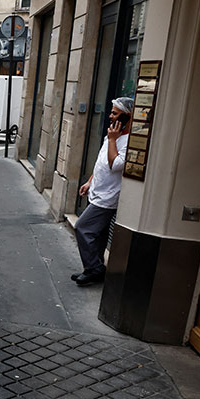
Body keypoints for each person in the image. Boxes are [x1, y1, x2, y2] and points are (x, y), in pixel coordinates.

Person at [71, 97, 134, 286]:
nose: (110, 116)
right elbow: (102, 162)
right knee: (98, 235)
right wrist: (90, 181)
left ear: (127, 117)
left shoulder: (127, 141)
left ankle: (94, 268)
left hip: (108, 197)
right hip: (98, 192)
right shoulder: (112, 135)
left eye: (115, 113)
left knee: (82, 227)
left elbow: (115, 164)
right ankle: (95, 269)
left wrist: (113, 139)